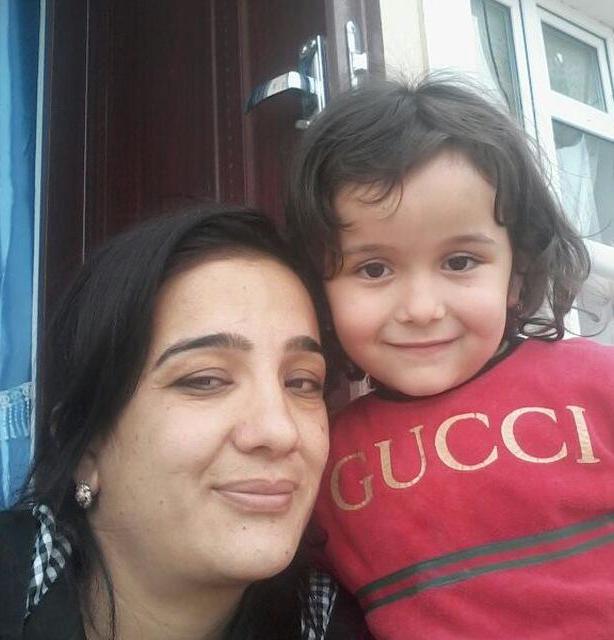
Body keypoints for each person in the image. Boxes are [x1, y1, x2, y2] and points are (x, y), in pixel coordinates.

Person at [286, 75, 614, 639]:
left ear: (517, 274)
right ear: (321, 292)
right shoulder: (319, 452)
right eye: (373, 269)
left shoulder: (597, 383)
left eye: (460, 262)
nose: (421, 309)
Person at [0, 205, 370, 640]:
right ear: (84, 449)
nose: (280, 431)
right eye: (205, 380)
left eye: (302, 382)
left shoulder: (349, 620)